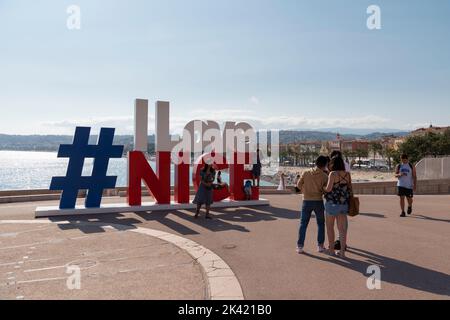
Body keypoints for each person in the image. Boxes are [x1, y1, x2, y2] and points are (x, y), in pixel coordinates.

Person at [296, 156, 329, 254]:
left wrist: (305, 191)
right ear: (325, 165)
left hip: (306, 201)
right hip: (318, 201)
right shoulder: (324, 176)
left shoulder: (306, 172)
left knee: (303, 224)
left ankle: (300, 246)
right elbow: (325, 190)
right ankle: (320, 246)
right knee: (320, 224)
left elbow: (298, 185)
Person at [324, 156, 352, 258]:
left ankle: (331, 250)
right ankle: (342, 253)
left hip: (332, 204)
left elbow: (328, 189)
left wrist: (323, 188)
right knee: (342, 229)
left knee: (330, 227)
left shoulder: (333, 174)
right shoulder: (347, 174)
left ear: (333, 164)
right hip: (343, 204)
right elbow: (349, 188)